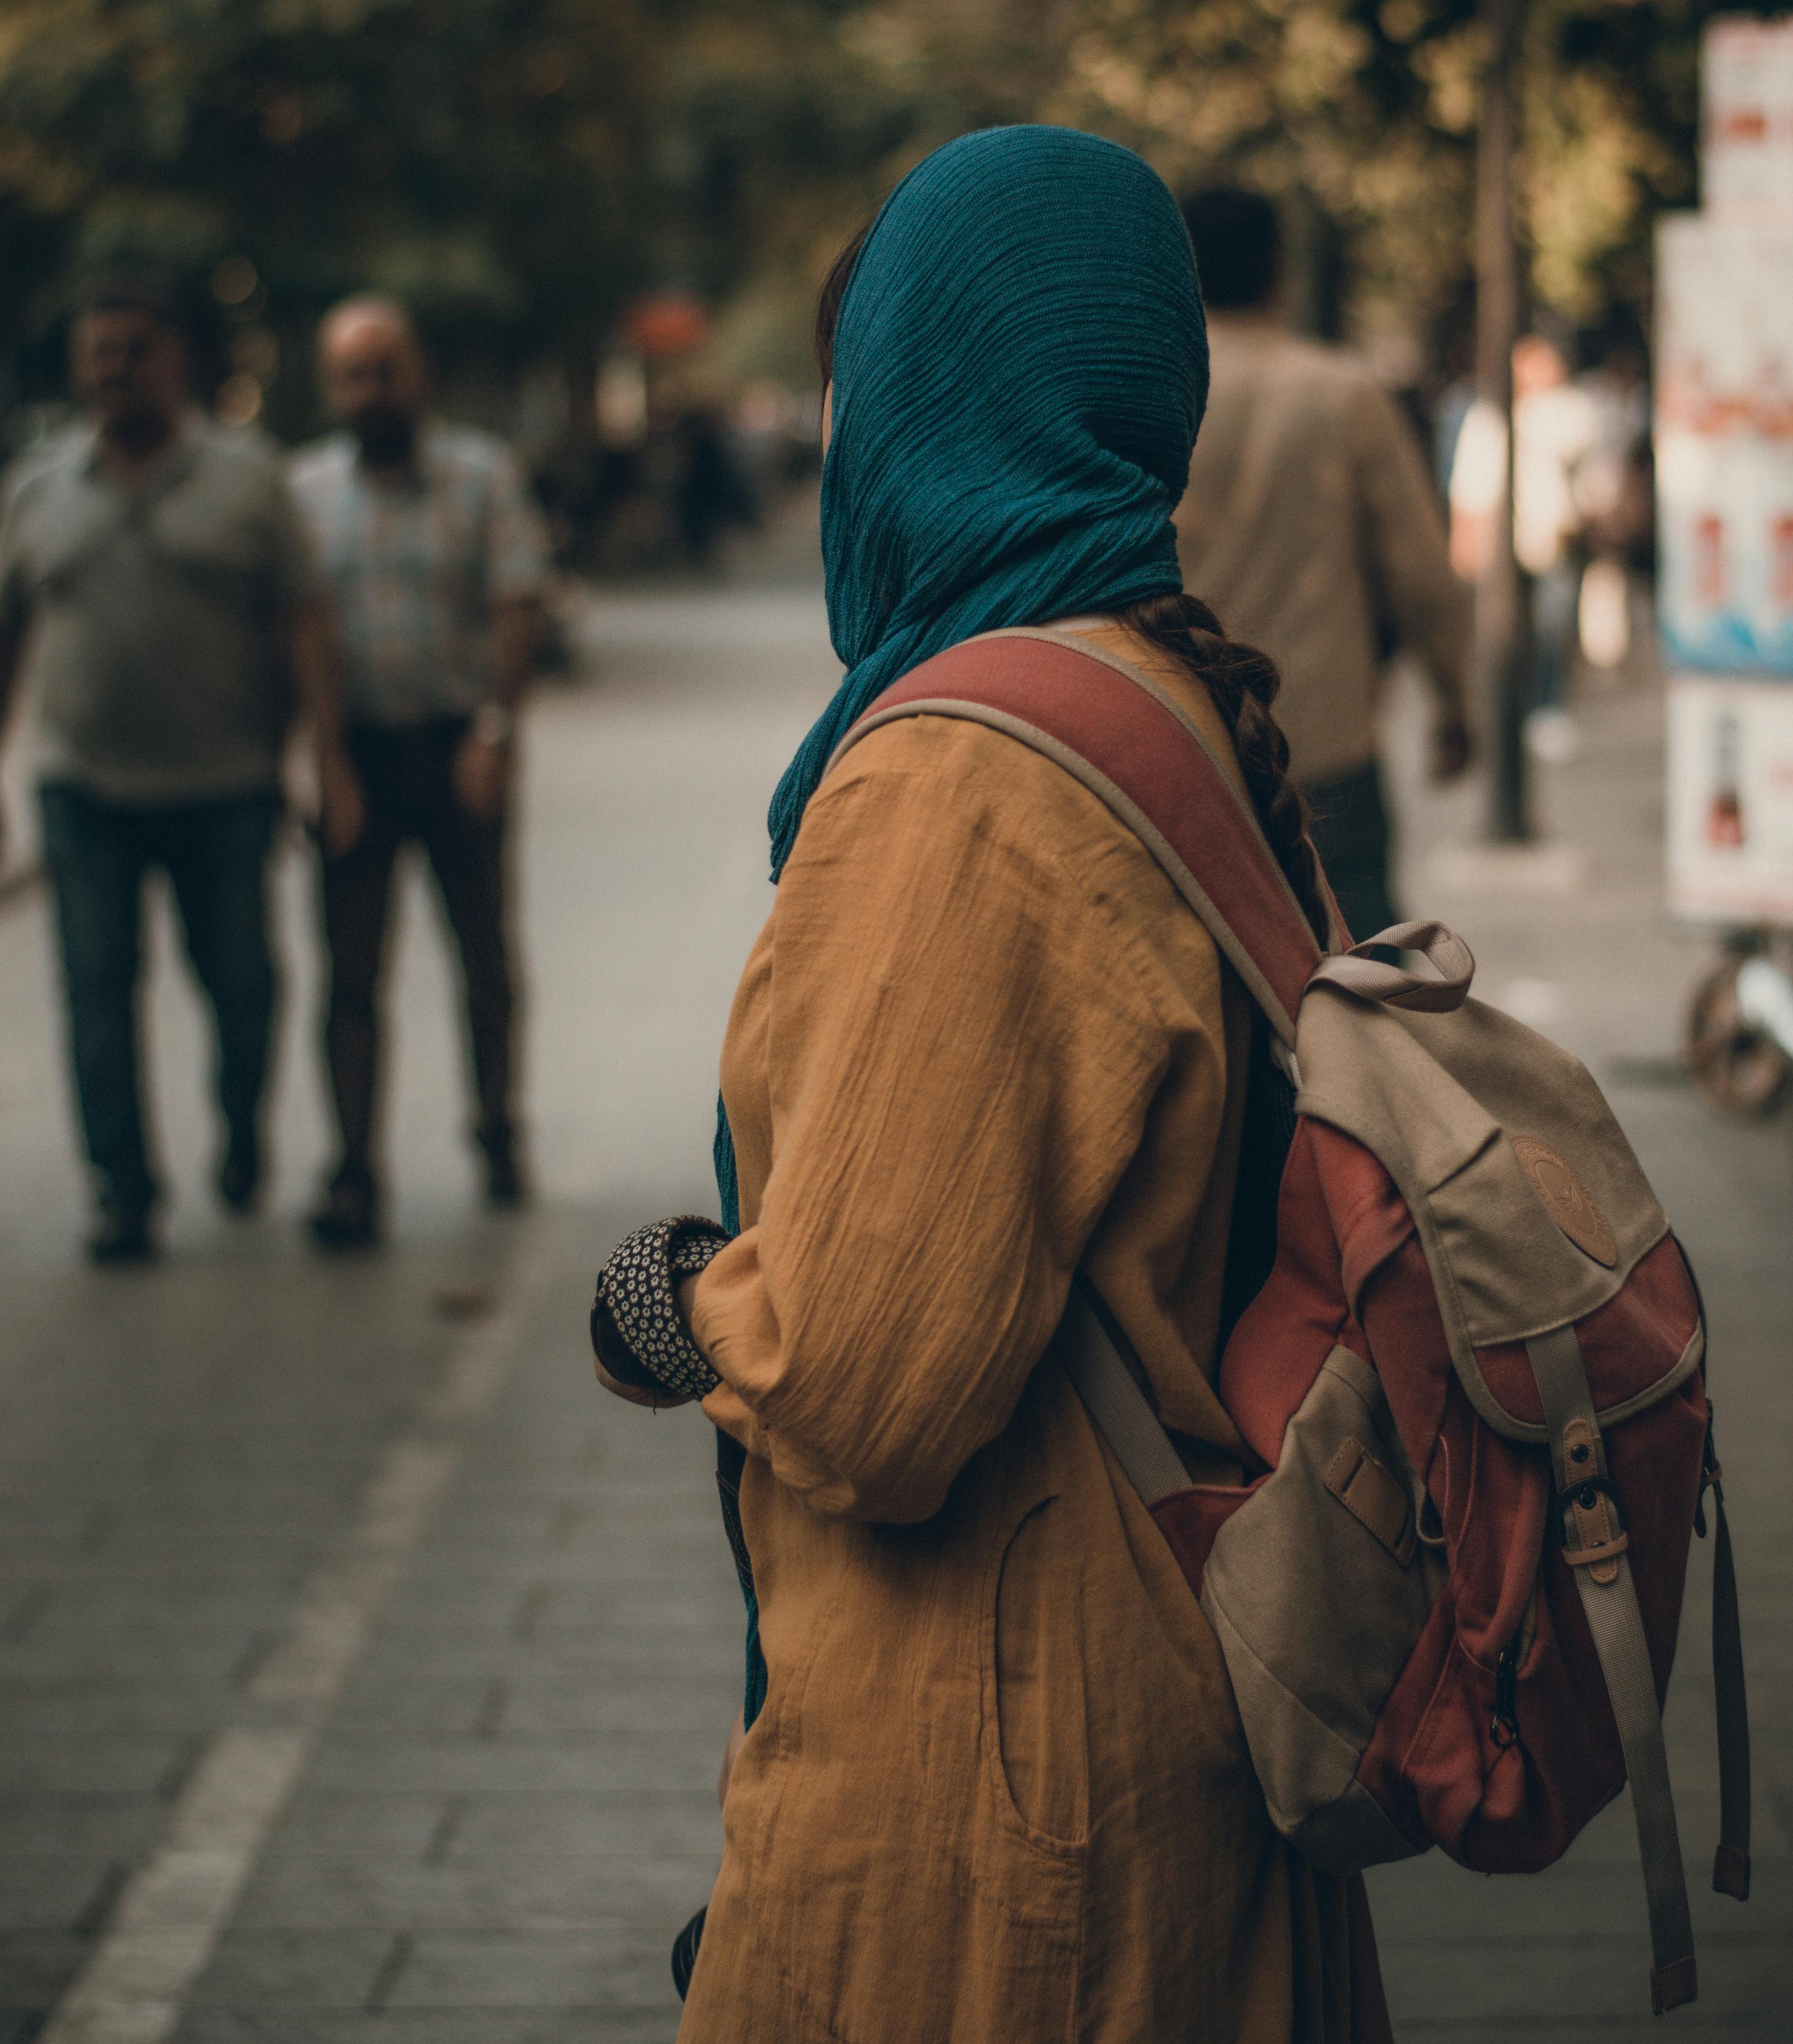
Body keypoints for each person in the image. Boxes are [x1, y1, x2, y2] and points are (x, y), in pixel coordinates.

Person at [589, 128, 1390, 2040]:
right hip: (1165, 1709)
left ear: (921, 397)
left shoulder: (959, 778)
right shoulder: (1170, 694)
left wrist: (672, 1297)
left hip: (995, 1776)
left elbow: (869, 1381)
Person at [0, 277, 359, 1262]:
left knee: (243, 985)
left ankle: (241, 1125)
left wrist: (324, 755)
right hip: (83, 791)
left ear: (176, 364)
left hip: (225, 788)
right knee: (95, 989)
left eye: (132, 350)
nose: (113, 370)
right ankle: (123, 1190)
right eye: (97, 354)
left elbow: (304, 620)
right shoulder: (38, 489)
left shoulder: (248, 480)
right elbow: (8, 636)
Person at [290, 297, 549, 1248]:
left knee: (482, 956)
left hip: (455, 744)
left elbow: (519, 600)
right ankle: (353, 1167)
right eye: (352, 372)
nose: (371, 388)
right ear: (332, 388)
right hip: (357, 755)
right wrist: (321, 758)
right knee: (350, 972)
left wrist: (494, 729)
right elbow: (296, 626)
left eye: (384, 367)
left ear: (418, 372)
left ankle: (496, 1126)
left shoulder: (480, 475)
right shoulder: (305, 490)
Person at [1177, 188, 1472, 942]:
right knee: (1364, 980)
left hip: (1182, 746)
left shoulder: (1159, 392)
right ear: (1281, 268)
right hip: (1322, 747)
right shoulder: (1341, 394)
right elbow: (1421, 572)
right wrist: (1455, 703)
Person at [1449, 333, 1600, 764]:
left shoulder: (1571, 410)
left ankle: (1548, 707)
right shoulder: (1490, 416)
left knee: (1554, 626)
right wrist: (1466, 543)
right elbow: (1470, 487)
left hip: (1556, 537)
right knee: (1507, 633)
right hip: (1506, 543)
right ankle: (1509, 708)